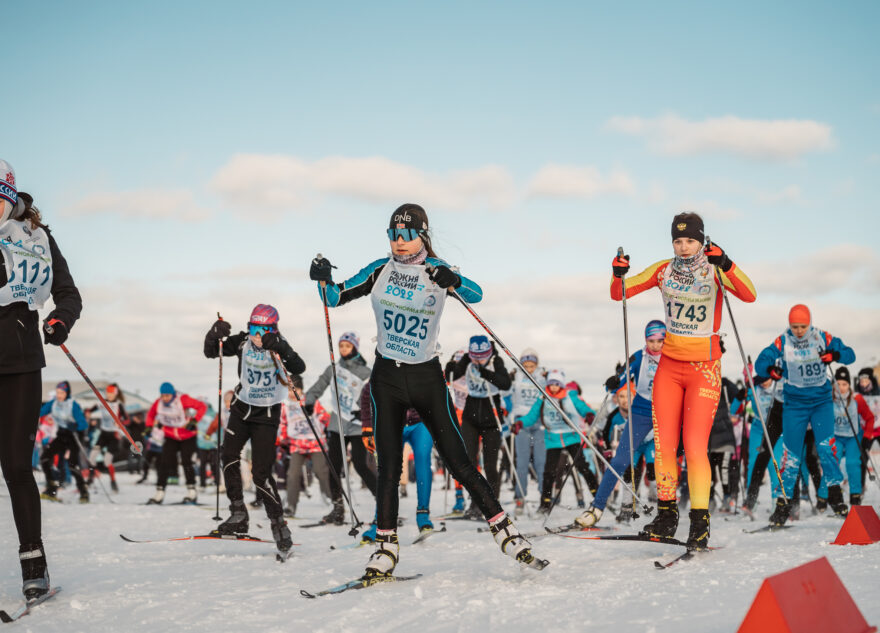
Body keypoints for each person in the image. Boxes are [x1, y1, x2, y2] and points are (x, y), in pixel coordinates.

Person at [309, 203, 543, 577]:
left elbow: (476, 293)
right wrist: (322, 278)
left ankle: (506, 531)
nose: (399, 242)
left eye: (406, 235)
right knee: (387, 466)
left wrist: (451, 279)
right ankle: (386, 546)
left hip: (426, 379)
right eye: (392, 235)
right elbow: (333, 297)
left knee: (459, 460)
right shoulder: (379, 270)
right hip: (386, 378)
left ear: (423, 235)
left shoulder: (437, 271)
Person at [611, 212, 756, 550]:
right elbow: (620, 293)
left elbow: (749, 294)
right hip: (670, 368)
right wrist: (617, 273)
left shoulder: (714, 268)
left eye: (690, 240)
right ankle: (666, 516)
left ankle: (700, 523)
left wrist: (728, 264)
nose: (684, 246)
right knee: (664, 446)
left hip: (704, 369)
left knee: (693, 447)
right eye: (678, 240)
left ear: (701, 240)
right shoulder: (664, 269)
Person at [0, 159, 82, 600]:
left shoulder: (36, 238)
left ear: (10, 198)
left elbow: (67, 292)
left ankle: (34, 565)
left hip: (20, 363)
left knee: (15, 466)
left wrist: (61, 321)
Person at [203, 305, 305, 553]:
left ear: (273, 328)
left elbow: (299, 367)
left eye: (263, 329)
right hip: (241, 409)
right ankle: (238, 512)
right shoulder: (242, 342)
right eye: (253, 328)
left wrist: (280, 347)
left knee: (261, 473)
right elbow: (210, 352)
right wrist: (212, 334)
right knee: (227, 455)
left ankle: (278, 522)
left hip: (267, 414)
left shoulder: (279, 344)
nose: (257, 334)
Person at [755, 304, 855, 525]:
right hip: (795, 404)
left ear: (809, 323)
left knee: (826, 447)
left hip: (821, 402)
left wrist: (835, 355)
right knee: (791, 456)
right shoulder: (783, 341)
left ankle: (835, 497)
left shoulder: (822, 337)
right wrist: (770, 370)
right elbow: (761, 362)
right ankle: (783, 505)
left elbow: (850, 355)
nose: (799, 330)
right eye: (794, 326)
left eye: (802, 326)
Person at [576, 320, 665, 527]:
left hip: (665, 409)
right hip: (642, 409)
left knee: (663, 463)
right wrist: (615, 380)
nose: (655, 345)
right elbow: (624, 373)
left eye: (660, 341)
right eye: (651, 341)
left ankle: (666, 511)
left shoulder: (673, 354)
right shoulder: (638, 356)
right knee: (619, 461)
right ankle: (596, 508)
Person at [304, 331, 375, 525]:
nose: (344, 349)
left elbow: (375, 397)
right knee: (333, 468)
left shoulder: (366, 373)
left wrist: (366, 412)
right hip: (337, 425)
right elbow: (318, 386)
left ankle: (383, 503)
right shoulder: (334, 369)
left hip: (358, 425)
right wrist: (309, 401)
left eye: (348, 346)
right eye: (341, 346)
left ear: (355, 348)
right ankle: (338, 508)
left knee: (361, 465)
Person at [518, 369, 596, 513]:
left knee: (582, 466)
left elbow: (583, 408)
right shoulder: (542, 398)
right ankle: (545, 502)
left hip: (570, 436)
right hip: (552, 438)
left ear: (561, 384)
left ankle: (597, 495)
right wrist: (520, 423)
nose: (553, 387)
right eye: (551, 384)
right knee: (549, 471)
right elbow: (531, 416)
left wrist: (589, 415)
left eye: (556, 384)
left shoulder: (569, 396)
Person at [451, 335, 512, 517]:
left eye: (482, 355)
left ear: (488, 352)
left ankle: (492, 505)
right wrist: (454, 364)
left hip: (491, 418)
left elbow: (505, 382)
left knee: (491, 465)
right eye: (475, 355)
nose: (478, 359)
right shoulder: (468, 359)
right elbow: (452, 375)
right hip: (470, 416)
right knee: (469, 462)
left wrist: (484, 372)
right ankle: (475, 503)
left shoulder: (496, 360)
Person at [816, 366, 874, 506]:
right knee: (831, 462)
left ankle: (855, 495)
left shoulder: (857, 399)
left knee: (852, 463)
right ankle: (823, 495)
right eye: (838, 384)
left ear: (849, 385)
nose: (841, 387)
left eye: (844, 384)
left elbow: (870, 418)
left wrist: (866, 437)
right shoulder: (828, 398)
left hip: (852, 437)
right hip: (836, 436)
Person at [144, 382, 207, 505]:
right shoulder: (158, 403)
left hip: (187, 436)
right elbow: (150, 415)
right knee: (165, 462)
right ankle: (159, 492)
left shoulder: (183, 400)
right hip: (171, 436)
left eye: (167, 395)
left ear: (173, 394)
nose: (165, 398)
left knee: (186, 461)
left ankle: (191, 491)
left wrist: (194, 421)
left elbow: (201, 406)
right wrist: (148, 427)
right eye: (163, 396)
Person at [282, 376, 332, 518]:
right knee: (293, 474)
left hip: (315, 442)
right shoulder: (285, 406)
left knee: (320, 471)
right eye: (289, 390)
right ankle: (291, 505)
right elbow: (283, 423)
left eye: (295, 389)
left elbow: (324, 417)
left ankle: (329, 499)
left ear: (301, 389)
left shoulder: (311, 401)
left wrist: (330, 429)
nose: (292, 393)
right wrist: (282, 440)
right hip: (297, 444)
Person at [510, 348, 546, 516]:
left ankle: (544, 497)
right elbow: (504, 394)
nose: (529, 369)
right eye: (526, 365)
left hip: (538, 421)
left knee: (541, 461)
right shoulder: (515, 377)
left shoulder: (542, 378)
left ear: (536, 365)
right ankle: (520, 497)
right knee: (522, 462)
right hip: (521, 422)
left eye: (532, 365)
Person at [39, 381, 89, 503]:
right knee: (45, 459)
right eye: (57, 392)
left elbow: (83, 424)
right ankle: (51, 489)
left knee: (72, 465)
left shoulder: (73, 405)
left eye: (62, 392)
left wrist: (75, 426)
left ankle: (83, 492)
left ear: (67, 393)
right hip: (61, 435)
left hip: (74, 435)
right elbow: (40, 412)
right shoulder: (54, 403)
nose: (59, 395)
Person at [87, 383, 127, 492]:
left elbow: (127, 419)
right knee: (92, 456)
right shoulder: (102, 402)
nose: (109, 395)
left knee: (107, 461)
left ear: (115, 394)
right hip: (103, 434)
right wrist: (88, 414)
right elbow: (89, 411)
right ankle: (90, 479)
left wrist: (120, 423)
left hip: (114, 436)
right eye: (107, 393)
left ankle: (113, 482)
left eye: (111, 393)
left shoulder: (119, 405)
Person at [856, 368, 880, 487]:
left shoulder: (878, 392)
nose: (864, 384)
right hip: (866, 431)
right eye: (862, 381)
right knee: (862, 459)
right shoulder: (857, 396)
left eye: (866, 381)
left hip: (879, 428)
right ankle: (861, 486)